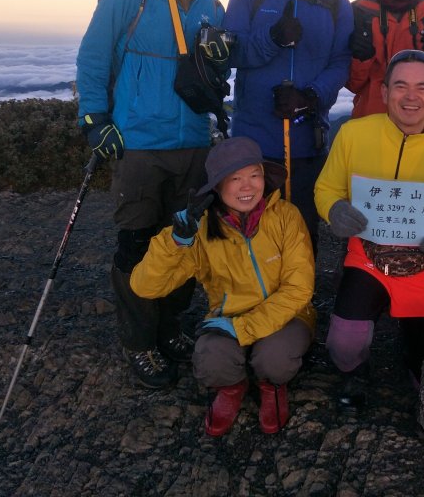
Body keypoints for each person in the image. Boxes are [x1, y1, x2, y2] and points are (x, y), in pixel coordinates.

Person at [76, 0, 228, 389]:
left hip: (193, 143)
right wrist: (95, 120)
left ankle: (170, 329)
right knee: (138, 244)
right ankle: (139, 341)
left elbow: (210, 79)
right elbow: (93, 58)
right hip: (139, 143)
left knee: (184, 243)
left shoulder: (212, 6)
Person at [130, 137, 315, 437]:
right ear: (217, 186)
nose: (247, 186)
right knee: (211, 358)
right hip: (228, 315)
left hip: (287, 316)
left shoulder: (286, 217)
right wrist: (175, 241)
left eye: (254, 175)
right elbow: (145, 286)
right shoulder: (200, 229)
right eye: (235, 178)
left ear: (264, 178)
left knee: (275, 359)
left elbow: (299, 289)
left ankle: (271, 387)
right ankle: (232, 389)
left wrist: (243, 329)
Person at [315, 49, 424, 407]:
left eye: (422, 88)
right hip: (367, 255)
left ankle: (411, 354)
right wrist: (335, 209)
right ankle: (356, 371)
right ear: (383, 93)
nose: (410, 97)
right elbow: (326, 188)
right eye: (400, 86)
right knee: (343, 344)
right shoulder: (353, 134)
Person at [223, 0, 353, 252]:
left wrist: (311, 96)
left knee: (301, 227)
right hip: (253, 140)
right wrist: (273, 38)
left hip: (306, 140)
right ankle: (252, 298)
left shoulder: (337, 3)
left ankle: (300, 300)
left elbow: (341, 62)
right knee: (250, 227)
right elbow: (232, 53)